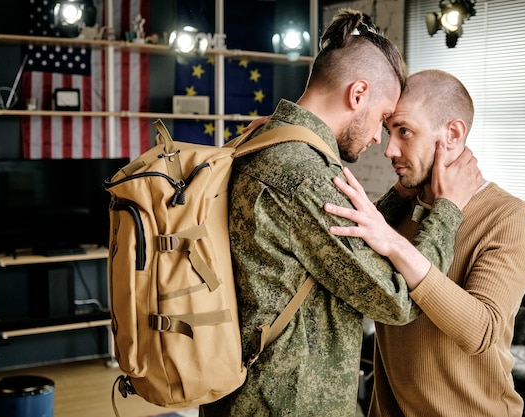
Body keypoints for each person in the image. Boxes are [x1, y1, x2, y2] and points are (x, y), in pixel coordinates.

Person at [201, 9, 485, 417]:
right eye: (385, 119)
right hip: (287, 405)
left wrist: (405, 192)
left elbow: (338, 245)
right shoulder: (307, 178)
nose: (378, 138)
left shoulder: (261, 138)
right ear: (357, 94)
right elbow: (398, 300)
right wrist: (448, 209)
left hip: (243, 396)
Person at [324, 69, 525, 417]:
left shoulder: (510, 218)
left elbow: (481, 331)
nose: (390, 149)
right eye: (389, 130)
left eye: (405, 132)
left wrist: (394, 245)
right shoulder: (404, 206)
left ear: (453, 134)